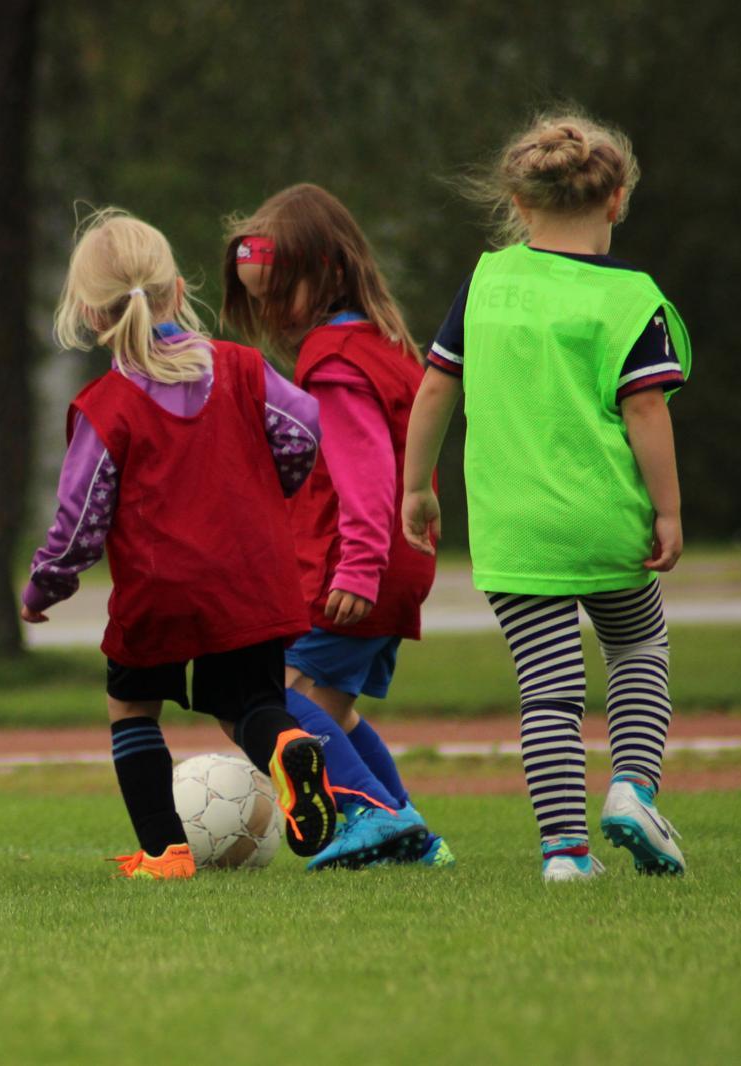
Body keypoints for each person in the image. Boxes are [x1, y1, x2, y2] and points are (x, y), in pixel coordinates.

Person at [400, 112, 692, 882]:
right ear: (616, 200)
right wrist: (667, 510)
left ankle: (564, 854)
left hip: (514, 530)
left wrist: (414, 488)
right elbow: (646, 408)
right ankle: (632, 789)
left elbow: (435, 386)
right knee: (636, 645)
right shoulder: (632, 297)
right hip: (605, 522)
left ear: (520, 205)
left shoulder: (488, 280)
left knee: (548, 691)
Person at [22, 209, 336, 880]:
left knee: (133, 706)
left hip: (161, 591)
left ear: (87, 310)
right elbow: (305, 430)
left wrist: (49, 581)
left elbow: (81, 517)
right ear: (173, 290)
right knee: (248, 704)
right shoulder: (243, 368)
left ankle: (165, 853)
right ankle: (286, 747)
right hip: (253, 577)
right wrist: (270, 482)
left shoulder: (107, 405)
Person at [222, 183, 450, 871]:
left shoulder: (332, 359)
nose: (266, 311)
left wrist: (355, 566)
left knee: (269, 700)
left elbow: (368, 473)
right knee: (333, 709)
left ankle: (369, 816)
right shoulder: (382, 344)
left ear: (326, 273)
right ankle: (411, 836)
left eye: (275, 292)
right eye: (255, 296)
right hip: (399, 562)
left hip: (354, 566)